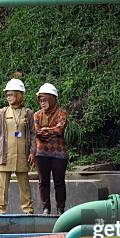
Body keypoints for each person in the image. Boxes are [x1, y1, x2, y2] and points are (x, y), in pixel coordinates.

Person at [0, 78, 36, 214]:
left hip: (22, 153)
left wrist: (32, 151)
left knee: (24, 184)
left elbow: (33, 134)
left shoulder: (28, 113)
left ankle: (28, 210)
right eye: (7, 95)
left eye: (11, 94)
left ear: (19, 94)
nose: (8, 97)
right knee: (2, 185)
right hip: (6, 153)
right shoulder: (3, 112)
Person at [33, 83, 69, 215]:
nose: (42, 103)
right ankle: (45, 208)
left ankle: (60, 208)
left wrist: (44, 131)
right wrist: (49, 131)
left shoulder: (62, 112)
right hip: (41, 153)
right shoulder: (37, 115)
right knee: (43, 181)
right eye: (41, 100)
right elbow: (35, 132)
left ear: (52, 98)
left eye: (45, 100)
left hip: (59, 153)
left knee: (59, 181)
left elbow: (60, 129)